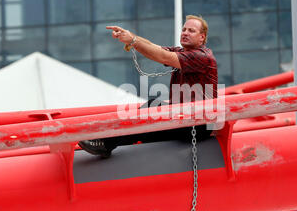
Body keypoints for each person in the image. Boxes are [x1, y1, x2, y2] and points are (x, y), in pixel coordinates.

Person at [79, 15, 218, 158]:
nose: (185, 33)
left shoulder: (202, 56)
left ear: (202, 37)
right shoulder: (183, 52)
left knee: (151, 108)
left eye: (191, 30)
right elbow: (154, 47)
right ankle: (106, 141)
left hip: (199, 124)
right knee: (150, 110)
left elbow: (162, 56)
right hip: (185, 116)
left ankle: (106, 143)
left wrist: (133, 40)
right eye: (184, 29)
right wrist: (131, 38)